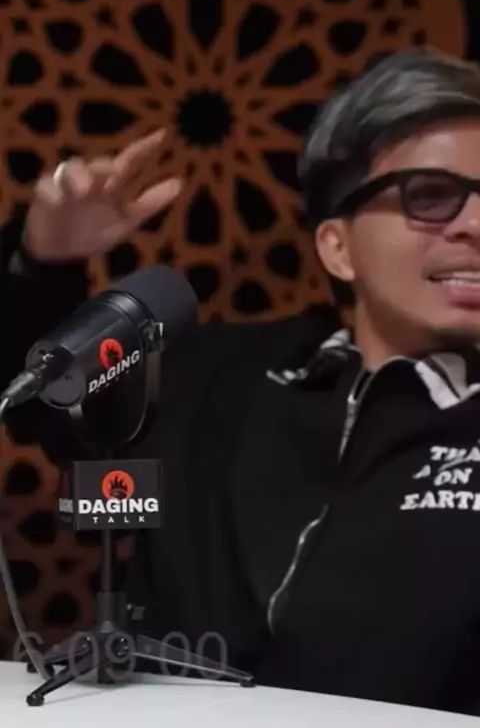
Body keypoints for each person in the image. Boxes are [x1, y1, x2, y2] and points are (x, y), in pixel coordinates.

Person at [4, 46, 480, 715]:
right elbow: (39, 396)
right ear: (337, 246)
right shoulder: (212, 375)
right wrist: (43, 259)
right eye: (430, 196)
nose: (475, 226)